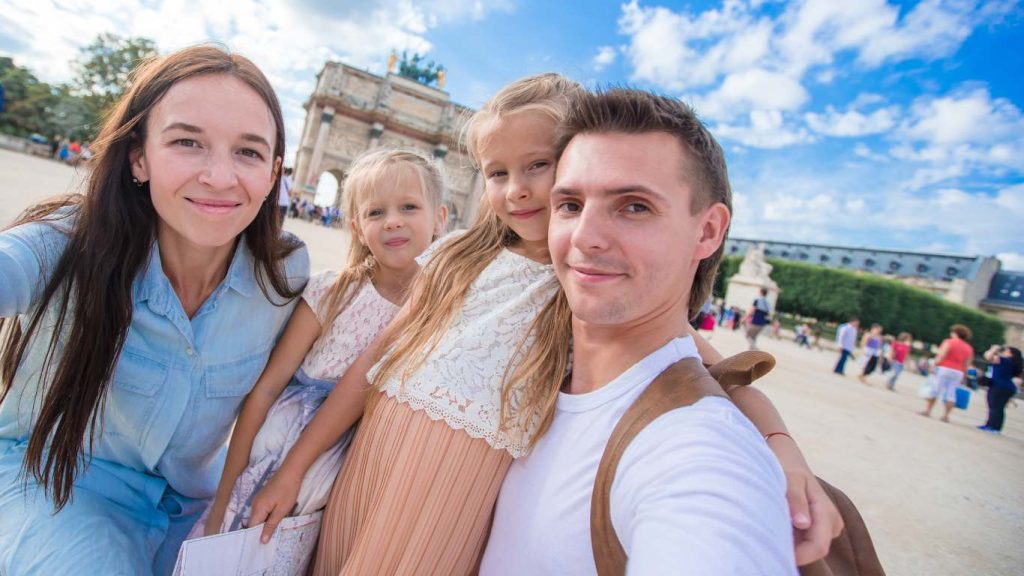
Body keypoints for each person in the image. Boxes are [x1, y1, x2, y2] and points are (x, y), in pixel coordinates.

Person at [250, 75, 839, 575]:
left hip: (448, 495)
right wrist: (295, 468)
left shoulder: (580, 285)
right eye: (497, 173)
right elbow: (369, 368)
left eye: (539, 166)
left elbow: (711, 372)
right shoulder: (456, 254)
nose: (518, 190)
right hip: (371, 460)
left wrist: (785, 456)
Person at [0, 46, 309, 575]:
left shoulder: (284, 272)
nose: (219, 176)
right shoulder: (67, 244)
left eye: (249, 152)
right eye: (188, 142)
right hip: (55, 483)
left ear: (275, 171)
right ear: (137, 156)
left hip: (191, 512)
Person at [481, 88, 813, 574]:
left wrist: (779, 441)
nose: (585, 237)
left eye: (634, 206)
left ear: (708, 231)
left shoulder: (703, 458)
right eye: (570, 205)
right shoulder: (538, 380)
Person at [194, 150, 447, 538]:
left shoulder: (444, 314)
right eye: (375, 212)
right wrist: (221, 499)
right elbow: (265, 390)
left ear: (440, 219)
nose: (393, 220)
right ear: (358, 228)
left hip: (357, 480)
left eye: (409, 207)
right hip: (274, 460)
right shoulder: (332, 291)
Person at [919, 324, 975, 423]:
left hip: (945, 368)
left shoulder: (949, 342)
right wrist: (964, 375)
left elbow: (942, 355)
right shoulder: (969, 348)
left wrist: (934, 364)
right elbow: (967, 363)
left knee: (935, 389)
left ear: (955, 333)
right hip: (958, 371)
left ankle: (928, 410)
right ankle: (945, 416)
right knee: (951, 394)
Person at [978, 345, 1022, 434]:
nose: (1003, 352)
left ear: (1010, 354)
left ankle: (991, 425)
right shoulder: (1012, 363)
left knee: (994, 406)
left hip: (998, 386)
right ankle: (995, 427)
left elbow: (988, 356)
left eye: (1006, 351)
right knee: (999, 408)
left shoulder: (1004, 360)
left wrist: (993, 349)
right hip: (1007, 386)